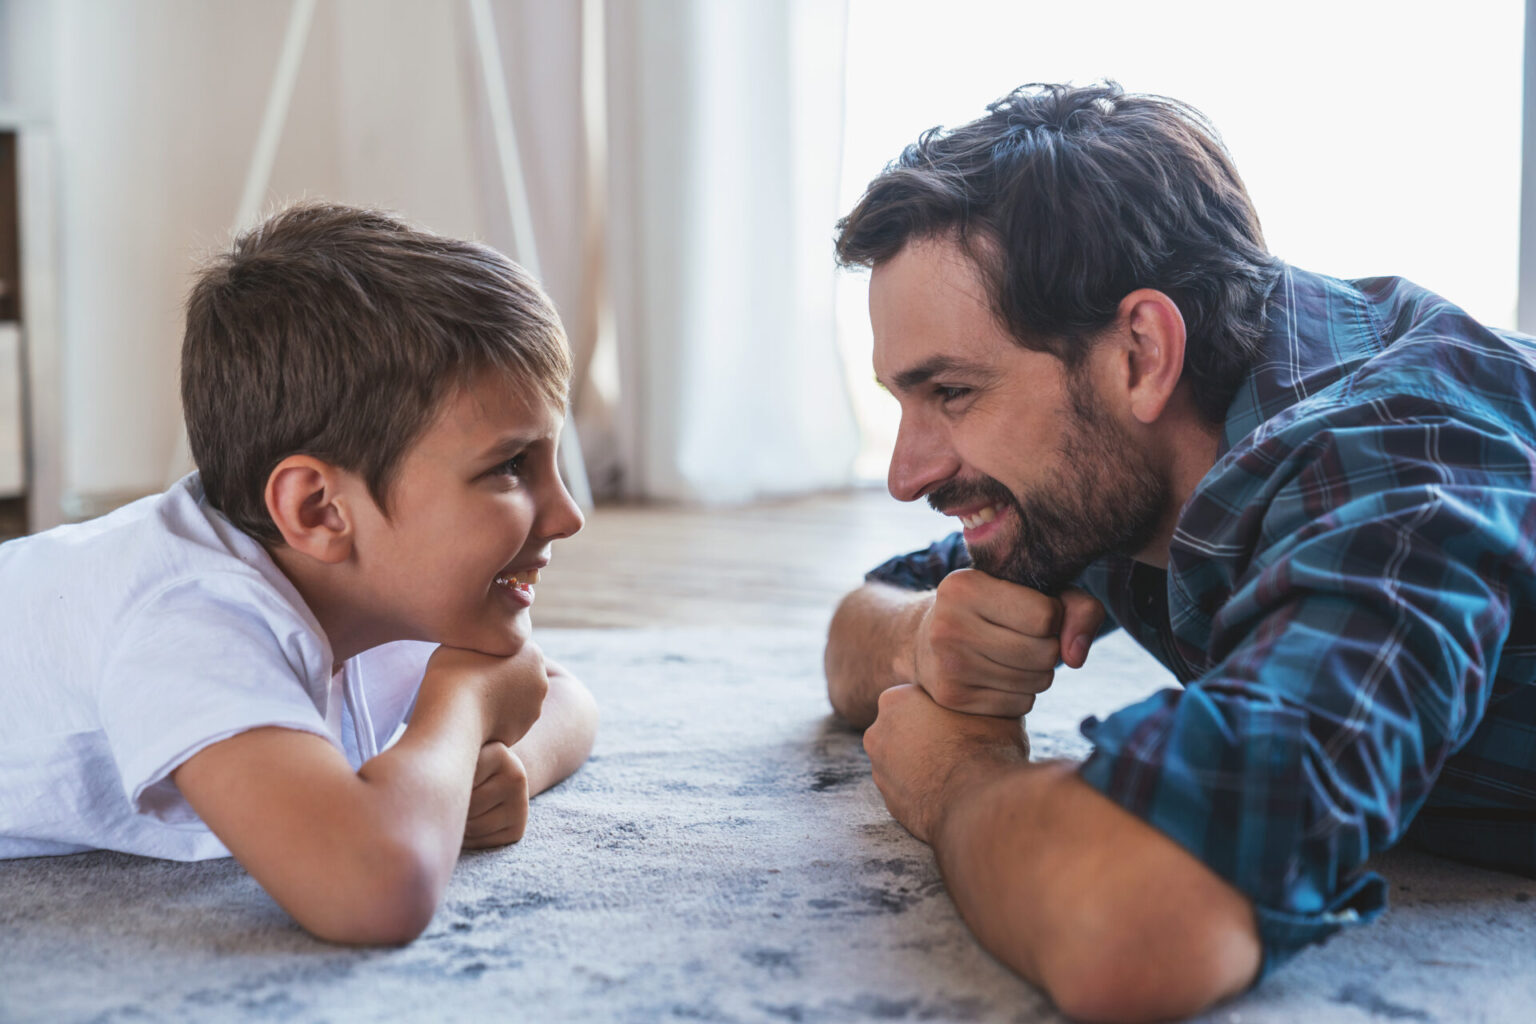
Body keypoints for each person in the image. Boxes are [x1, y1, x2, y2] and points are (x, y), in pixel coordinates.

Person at [825, 81, 1536, 1021]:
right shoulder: (1123, 455)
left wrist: (958, 778)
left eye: (951, 393)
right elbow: (855, 626)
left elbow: (1139, 927)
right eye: (899, 404)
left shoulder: (1394, 467)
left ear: (1142, 354)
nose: (906, 476)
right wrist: (930, 636)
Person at [0, 202, 598, 945]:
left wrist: (503, 771)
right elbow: (371, 890)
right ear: (319, 509)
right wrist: (464, 708)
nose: (569, 515)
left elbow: (560, 697)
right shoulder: (189, 624)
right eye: (511, 466)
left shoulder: (365, 580)